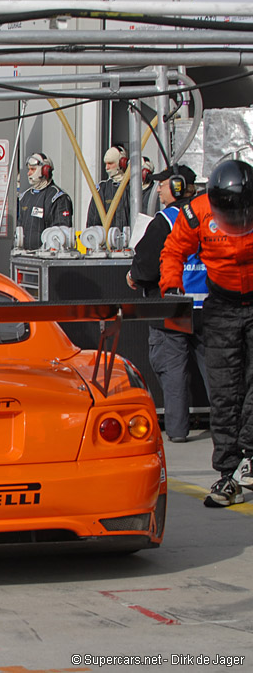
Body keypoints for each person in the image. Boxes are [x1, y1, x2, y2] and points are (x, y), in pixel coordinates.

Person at [160, 159, 253, 508]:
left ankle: (249, 458)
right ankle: (229, 472)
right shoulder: (196, 214)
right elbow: (172, 251)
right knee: (225, 391)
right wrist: (171, 287)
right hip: (222, 307)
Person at [127, 164, 205, 444]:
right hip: (208, 306)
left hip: (172, 306)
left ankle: (177, 430)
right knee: (217, 372)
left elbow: (146, 266)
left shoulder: (166, 220)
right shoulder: (208, 215)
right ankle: (225, 428)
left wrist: (133, 277)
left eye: (162, 184)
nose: (158, 188)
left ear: (177, 187)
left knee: (171, 368)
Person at [17, 152, 73, 250]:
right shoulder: (25, 196)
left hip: (46, 258)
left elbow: (62, 232)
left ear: (45, 170)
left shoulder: (58, 197)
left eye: (33, 169)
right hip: (25, 256)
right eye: (29, 169)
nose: (28, 173)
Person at [87, 145, 131, 230]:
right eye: (106, 164)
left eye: (110, 163)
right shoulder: (102, 189)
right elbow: (93, 222)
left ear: (122, 163)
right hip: (107, 241)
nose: (107, 168)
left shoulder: (133, 188)